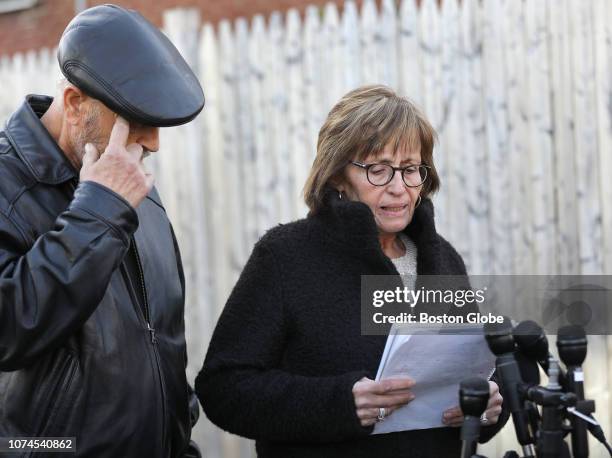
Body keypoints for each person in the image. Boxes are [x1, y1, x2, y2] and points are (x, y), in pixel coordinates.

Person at [196, 85, 507, 457]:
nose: (399, 188)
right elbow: (224, 387)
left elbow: (479, 372)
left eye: (411, 170)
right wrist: (340, 404)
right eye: (378, 170)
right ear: (337, 175)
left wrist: (489, 407)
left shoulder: (443, 260)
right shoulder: (285, 257)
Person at [0, 5, 204, 457]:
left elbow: (164, 343)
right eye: (136, 121)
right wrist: (99, 210)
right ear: (75, 104)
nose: (152, 142)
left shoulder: (140, 195)